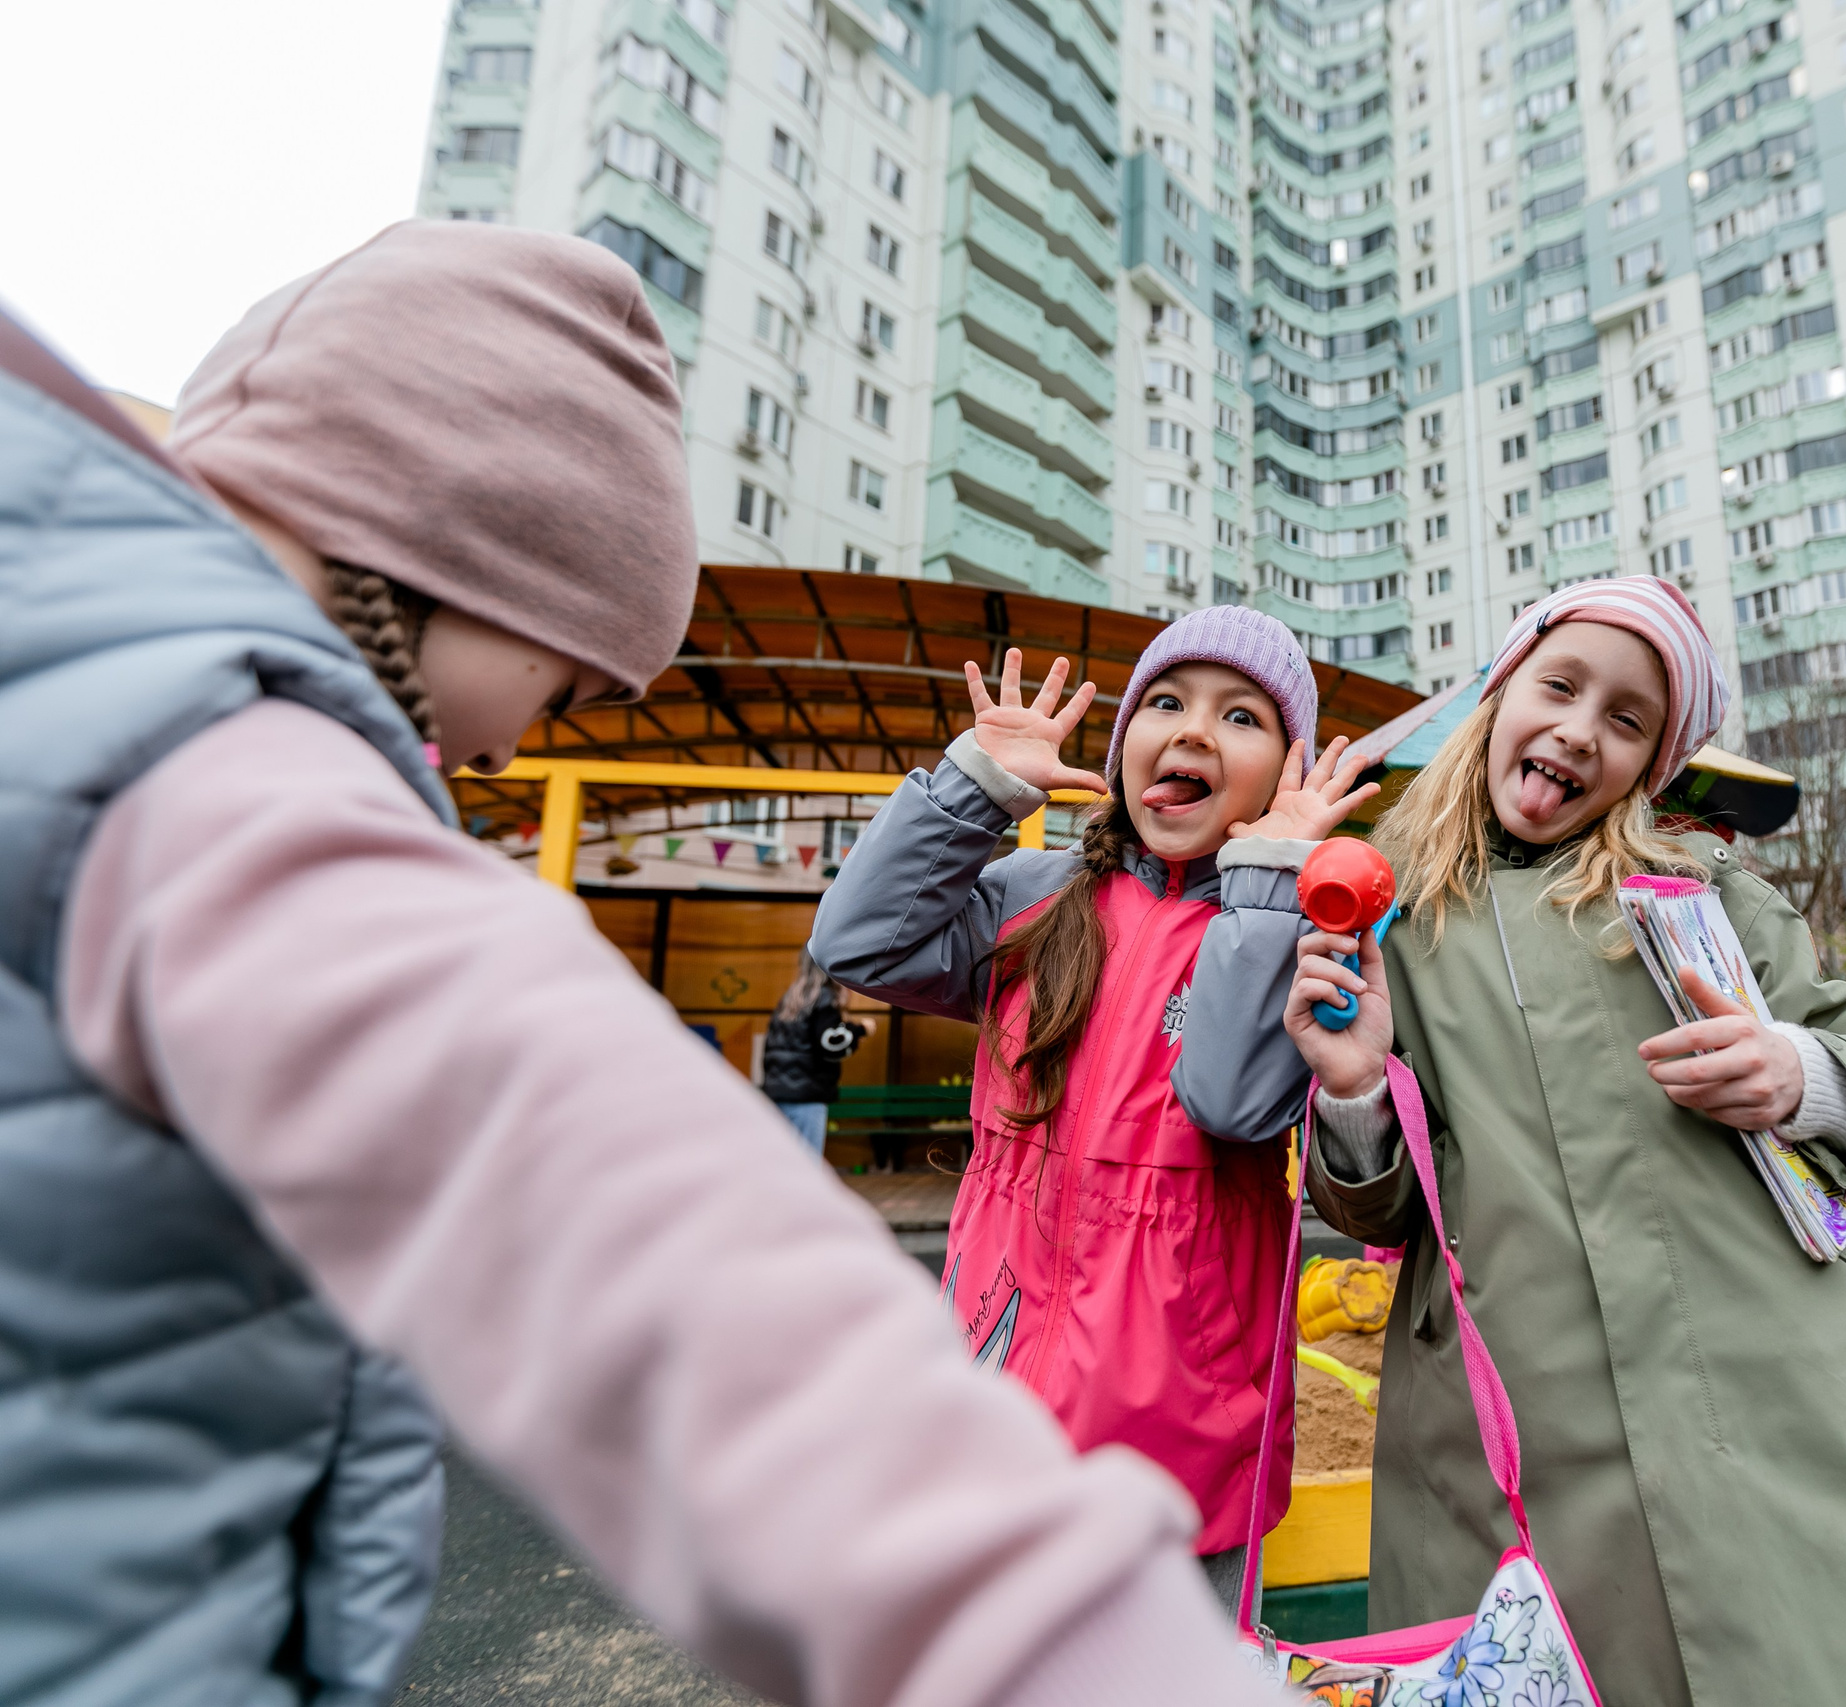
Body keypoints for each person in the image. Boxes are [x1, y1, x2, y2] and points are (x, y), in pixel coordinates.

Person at [3, 223, 1285, 1707]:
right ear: (456, 545)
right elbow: (659, 1254)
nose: (506, 744)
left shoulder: (89, 687)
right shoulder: (225, 787)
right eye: (564, 674)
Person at [1282, 578, 1846, 1707]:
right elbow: (1378, 1217)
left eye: (1627, 718)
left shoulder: (1702, 888)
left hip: (1779, 1393)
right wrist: (1353, 1094)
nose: (1578, 730)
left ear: (1649, 764)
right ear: (1498, 694)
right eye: (1559, 686)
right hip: (1512, 1432)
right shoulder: (1391, 922)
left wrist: (1797, 1075)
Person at [813, 610, 1376, 1611]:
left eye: (1240, 718)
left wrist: (1267, 887)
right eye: (1165, 704)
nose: (1194, 731)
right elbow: (860, 944)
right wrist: (972, 792)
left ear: (1285, 779)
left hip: (1187, 1427)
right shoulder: (1032, 897)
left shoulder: (1287, 931)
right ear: (1121, 753)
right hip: (1001, 1377)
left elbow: (1234, 1105)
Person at [763, 953, 868, 1153]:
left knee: (785, 1165)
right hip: (807, 1098)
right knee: (808, 1166)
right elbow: (830, 1044)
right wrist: (860, 1030)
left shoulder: (790, 998)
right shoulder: (824, 997)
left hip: (777, 1095)